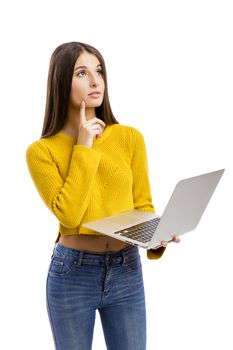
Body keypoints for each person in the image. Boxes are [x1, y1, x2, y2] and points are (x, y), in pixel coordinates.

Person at [26, 41, 180, 350]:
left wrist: (154, 236)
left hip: (126, 270)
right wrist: (84, 146)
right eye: (82, 73)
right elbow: (69, 217)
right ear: (61, 82)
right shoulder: (41, 152)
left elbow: (143, 205)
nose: (95, 81)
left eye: (99, 71)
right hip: (72, 273)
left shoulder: (129, 138)